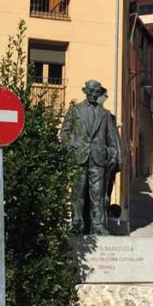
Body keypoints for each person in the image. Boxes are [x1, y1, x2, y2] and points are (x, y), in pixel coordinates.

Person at [59, 80, 122, 235]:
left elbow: (112, 138)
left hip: (98, 159)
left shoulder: (105, 114)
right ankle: (77, 223)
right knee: (77, 194)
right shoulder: (75, 111)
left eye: (97, 92)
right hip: (80, 158)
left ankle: (98, 225)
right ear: (85, 91)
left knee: (98, 194)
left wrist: (113, 153)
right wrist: (73, 148)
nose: (94, 95)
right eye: (91, 92)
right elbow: (65, 133)